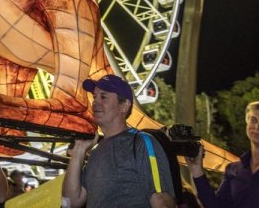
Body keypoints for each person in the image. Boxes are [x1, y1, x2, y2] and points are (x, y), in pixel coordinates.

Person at [62, 74, 176, 208]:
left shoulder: (141, 142)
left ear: (124, 106)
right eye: (95, 97)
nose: (95, 102)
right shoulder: (95, 153)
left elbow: (161, 200)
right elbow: (70, 202)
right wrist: (79, 152)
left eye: (103, 97)